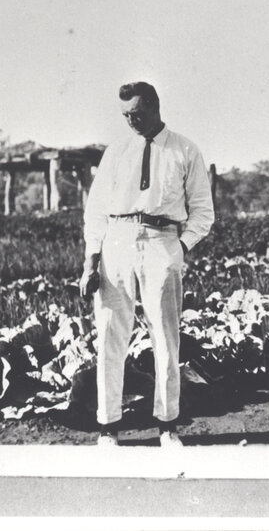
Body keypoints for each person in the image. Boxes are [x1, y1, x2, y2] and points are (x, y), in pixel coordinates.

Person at [79, 81, 214, 447]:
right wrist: (92, 260)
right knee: (110, 335)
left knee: (166, 339)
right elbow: (95, 211)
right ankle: (108, 427)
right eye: (125, 115)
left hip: (162, 242)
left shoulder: (185, 149)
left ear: (154, 106)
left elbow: (203, 211)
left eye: (137, 113)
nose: (131, 121)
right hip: (116, 243)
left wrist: (180, 248)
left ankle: (168, 425)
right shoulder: (116, 151)